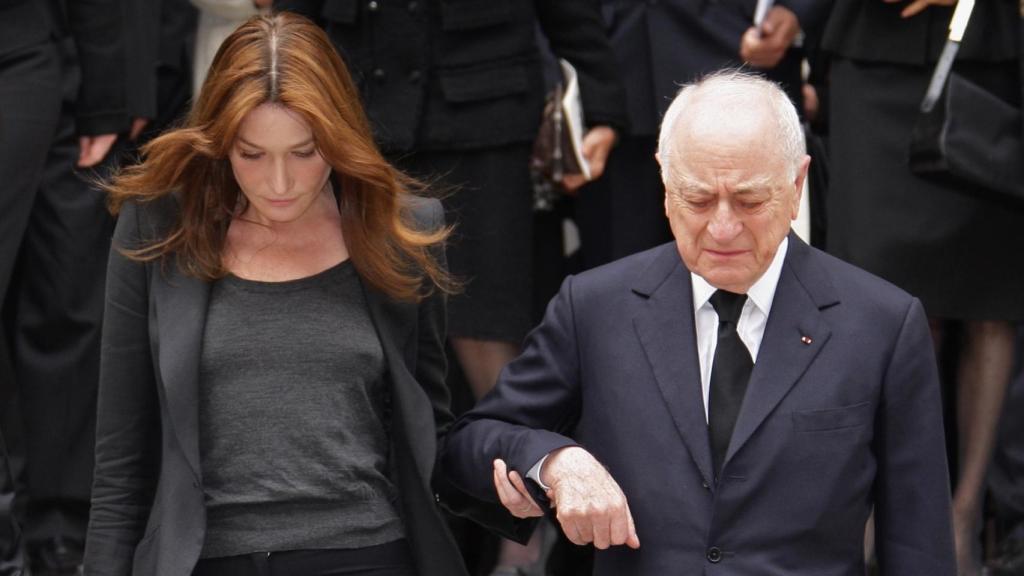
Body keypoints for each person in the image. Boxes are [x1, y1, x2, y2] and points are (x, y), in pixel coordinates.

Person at [440, 70, 956, 575]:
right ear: (665, 180)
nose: (724, 227)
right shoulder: (596, 306)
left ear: (796, 183)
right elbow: (469, 444)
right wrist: (552, 461)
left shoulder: (881, 323)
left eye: (750, 201)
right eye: (698, 199)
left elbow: (918, 541)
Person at [82, 13, 479, 576]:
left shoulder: (399, 230)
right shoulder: (158, 228)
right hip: (206, 559)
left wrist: (534, 462)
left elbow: (429, 430)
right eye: (251, 154)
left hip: (366, 554)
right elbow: (120, 459)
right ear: (219, 145)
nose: (280, 183)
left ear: (339, 137)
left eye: (304, 151)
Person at [821, 2, 1023, 574]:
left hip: (988, 55)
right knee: (874, 298)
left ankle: (960, 517)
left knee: (988, 297)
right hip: (872, 52)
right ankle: (868, 517)